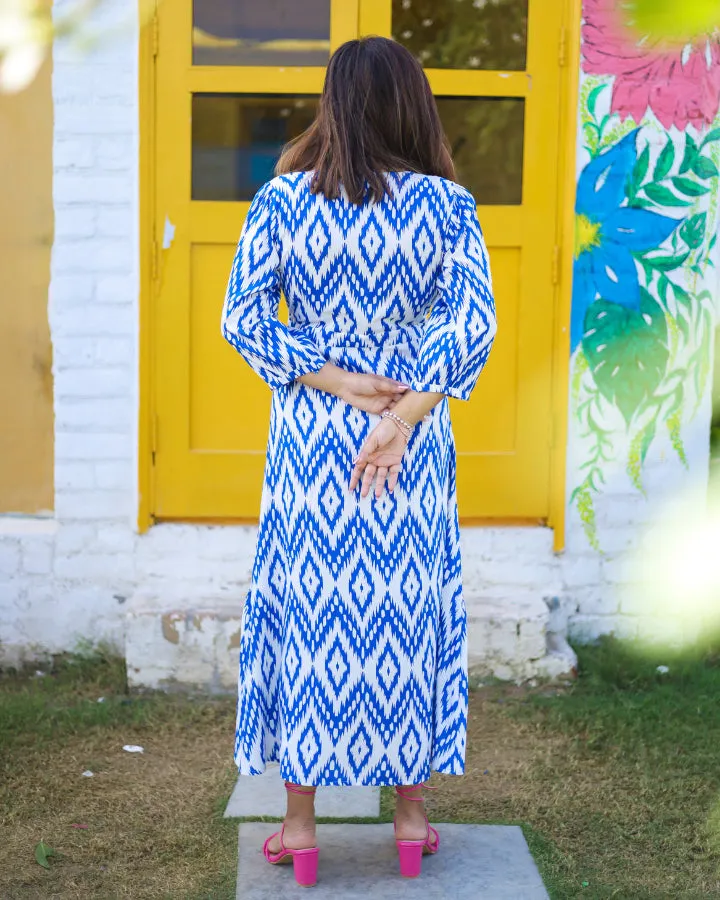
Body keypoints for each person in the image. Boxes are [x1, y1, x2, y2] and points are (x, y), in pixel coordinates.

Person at [221, 35, 497, 887]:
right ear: (412, 103)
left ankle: (300, 828)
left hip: (312, 439)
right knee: (404, 616)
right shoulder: (448, 207)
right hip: (406, 448)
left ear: (333, 103)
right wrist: (404, 415)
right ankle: (410, 816)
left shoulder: (280, 202)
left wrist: (339, 382)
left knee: (308, 616)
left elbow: (243, 319)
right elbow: (472, 325)